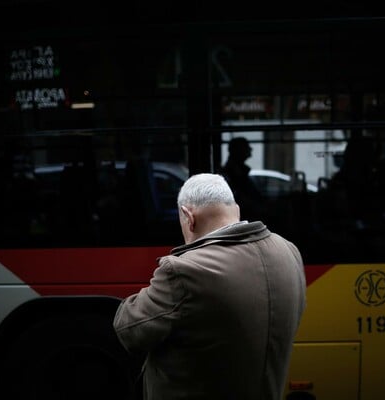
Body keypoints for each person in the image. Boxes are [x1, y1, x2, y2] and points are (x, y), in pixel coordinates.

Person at [113, 173, 306, 400]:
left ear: (188, 217)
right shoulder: (288, 251)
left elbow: (129, 330)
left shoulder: (184, 270)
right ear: (236, 210)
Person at [220, 137, 265, 221]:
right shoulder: (232, 174)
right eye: (246, 146)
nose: (250, 149)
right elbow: (240, 197)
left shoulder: (240, 172)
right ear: (238, 151)